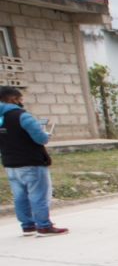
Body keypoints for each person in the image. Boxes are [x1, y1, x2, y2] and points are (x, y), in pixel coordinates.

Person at [0, 85, 68, 236]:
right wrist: (45, 135)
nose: (22, 101)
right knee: (38, 195)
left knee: (19, 196)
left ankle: (27, 226)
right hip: (30, 161)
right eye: (20, 98)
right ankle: (44, 226)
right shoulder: (22, 116)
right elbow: (40, 138)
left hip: (10, 163)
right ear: (13, 99)